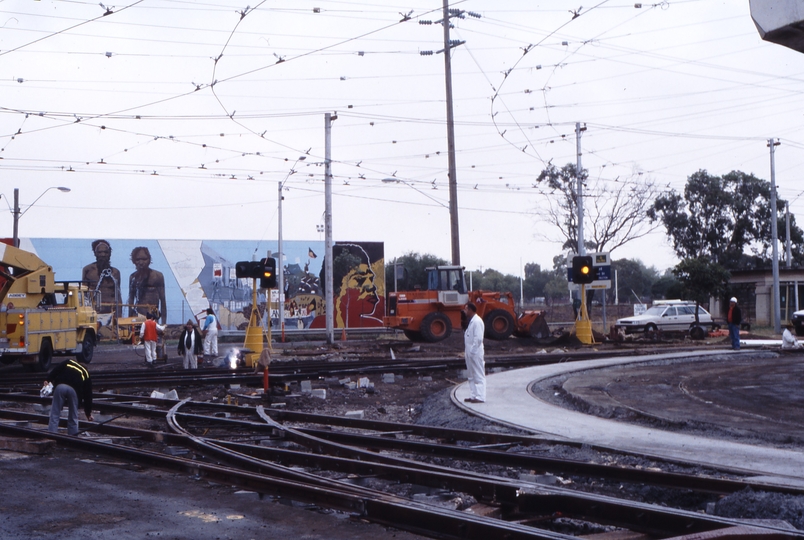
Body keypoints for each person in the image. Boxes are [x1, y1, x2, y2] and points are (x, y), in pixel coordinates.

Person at [45, 358, 93, 436]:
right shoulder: (85, 373)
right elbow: (88, 395)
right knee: (73, 416)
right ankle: (73, 438)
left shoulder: (69, 362)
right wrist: (88, 413)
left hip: (60, 386)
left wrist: (48, 379)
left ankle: (51, 435)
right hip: (74, 391)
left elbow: (57, 369)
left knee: (55, 413)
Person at [128, 246, 167, 325]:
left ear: (149, 260)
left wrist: (163, 323)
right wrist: (129, 321)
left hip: (153, 317)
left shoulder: (157, 276)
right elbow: (131, 301)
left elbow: (163, 301)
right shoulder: (133, 277)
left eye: (144, 259)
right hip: (138, 316)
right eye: (138, 259)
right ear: (134, 261)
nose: (141, 262)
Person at [82, 239, 122, 316]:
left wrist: (119, 317)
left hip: (111, 311)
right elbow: (84, 294)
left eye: (105, 252)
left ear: (110, 253)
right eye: (100, 252)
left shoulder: (115, 272)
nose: (103, 255)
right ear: (95, 253)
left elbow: (118, 295)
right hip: (94, 311)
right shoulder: (88, 270)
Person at [463, 302, 486, 404]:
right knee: (471, 375)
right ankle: (473, 395)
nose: (464, 311)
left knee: (478, 374)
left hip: (475, 353)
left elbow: (478, 338)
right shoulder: (471, 321)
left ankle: (480, 396)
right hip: (469, 352)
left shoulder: (477, 322)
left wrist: (473, 351)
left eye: (466, 309)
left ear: (470, 310)